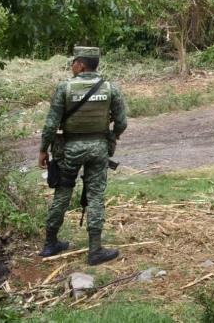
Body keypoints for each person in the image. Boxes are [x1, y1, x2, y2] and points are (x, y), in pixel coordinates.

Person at [38, 46, 127, 265]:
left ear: (82, 64)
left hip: (69, 150)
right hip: (98, 149)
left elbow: (51, 125)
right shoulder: (110, 88)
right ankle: (95, 250)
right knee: (96, 196)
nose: (72, 66)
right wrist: (112, 137)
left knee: (62, 192)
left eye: (74, 62)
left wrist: (43, 149)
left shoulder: (64, 88)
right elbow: (122, 122)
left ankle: (50, 243)